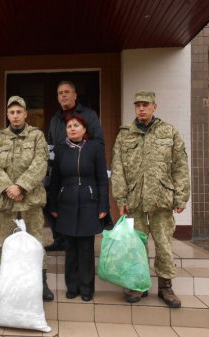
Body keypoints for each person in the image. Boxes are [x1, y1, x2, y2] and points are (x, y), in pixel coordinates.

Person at [111, 90, 190, 308]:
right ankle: (138, 284)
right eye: (138, 105)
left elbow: (180, 165)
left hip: (161, 200)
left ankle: (166, 287)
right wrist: (120, 198)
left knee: (164, 245)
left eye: (146, 105)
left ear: (155, 107)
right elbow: (117, 169)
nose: (142, 108)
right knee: (136, 245)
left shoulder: (168, 132)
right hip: (135, 200)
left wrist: (181, 196)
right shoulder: (125, 134)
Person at [0, 96, 54, 301]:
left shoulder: (37, 136)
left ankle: (41, 282)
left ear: (26, 114)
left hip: (31, 198)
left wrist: (21, 186)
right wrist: (8, 187)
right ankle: (1, 278)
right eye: (11, 112)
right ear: (8, 115)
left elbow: (41, 163)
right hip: (7, 200)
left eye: (19, 112)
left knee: (36, 240)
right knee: (5, 241)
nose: (15, 116)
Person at [49, 114, 109, 301]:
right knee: (70, 248)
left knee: (85, 248)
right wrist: (52, 203)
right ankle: (72, 286)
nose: (72, 128)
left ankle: (86, 288)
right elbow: (55, 179)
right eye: (69, 126)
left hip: (89, 202)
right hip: (66, 202)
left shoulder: (95, 148)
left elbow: (102, 179)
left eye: (76, 125)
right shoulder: (61, 150)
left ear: (84, 130)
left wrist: (103, 204)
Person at [45, 80, 105, 251]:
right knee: (51, 203)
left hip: (82, 168)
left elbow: (98, 142)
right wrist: (49, 167)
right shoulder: (55, 119)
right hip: (59, 169)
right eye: (59, 93)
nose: (63, 95)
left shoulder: (89, 114)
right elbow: (50, 143)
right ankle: (60, 239)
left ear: (75, 95)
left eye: (66, 92)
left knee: (79, 205)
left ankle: (76, 239)